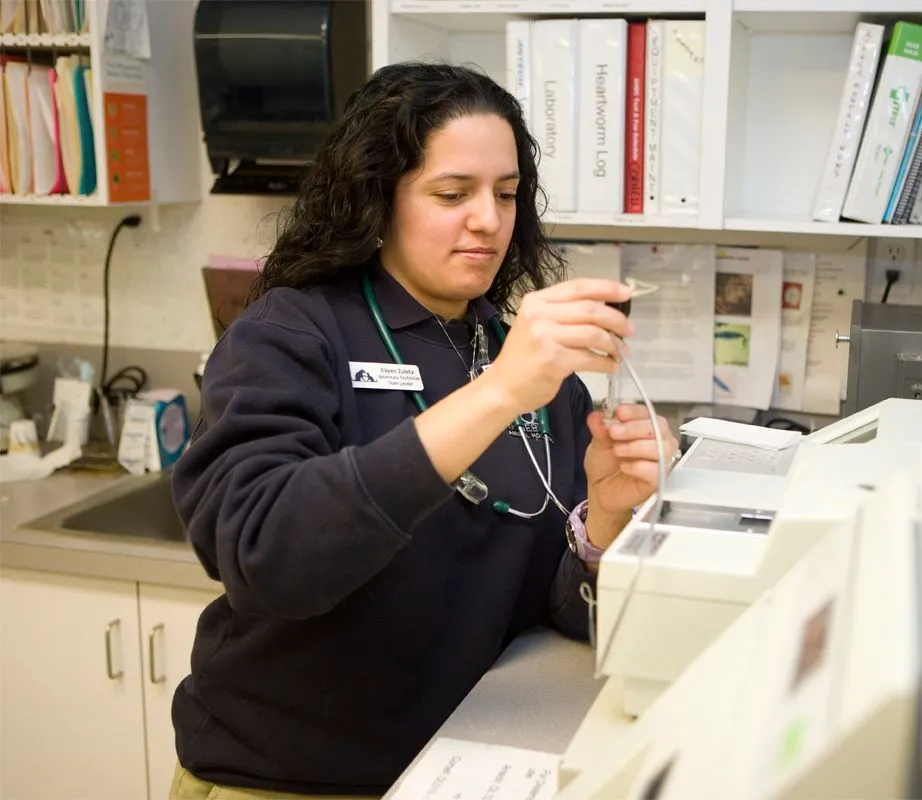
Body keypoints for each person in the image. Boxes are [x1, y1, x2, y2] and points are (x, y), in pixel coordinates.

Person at [169, 62, 678, 798]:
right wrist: (498, 393)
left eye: (506, 195)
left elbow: (553, 604)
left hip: (453, 766)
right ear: (379, 197)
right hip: (280, 775)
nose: (489, 220)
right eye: (452, 194)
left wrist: (605, 517)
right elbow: (264, 553)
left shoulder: (525, 364)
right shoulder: (291, 332)